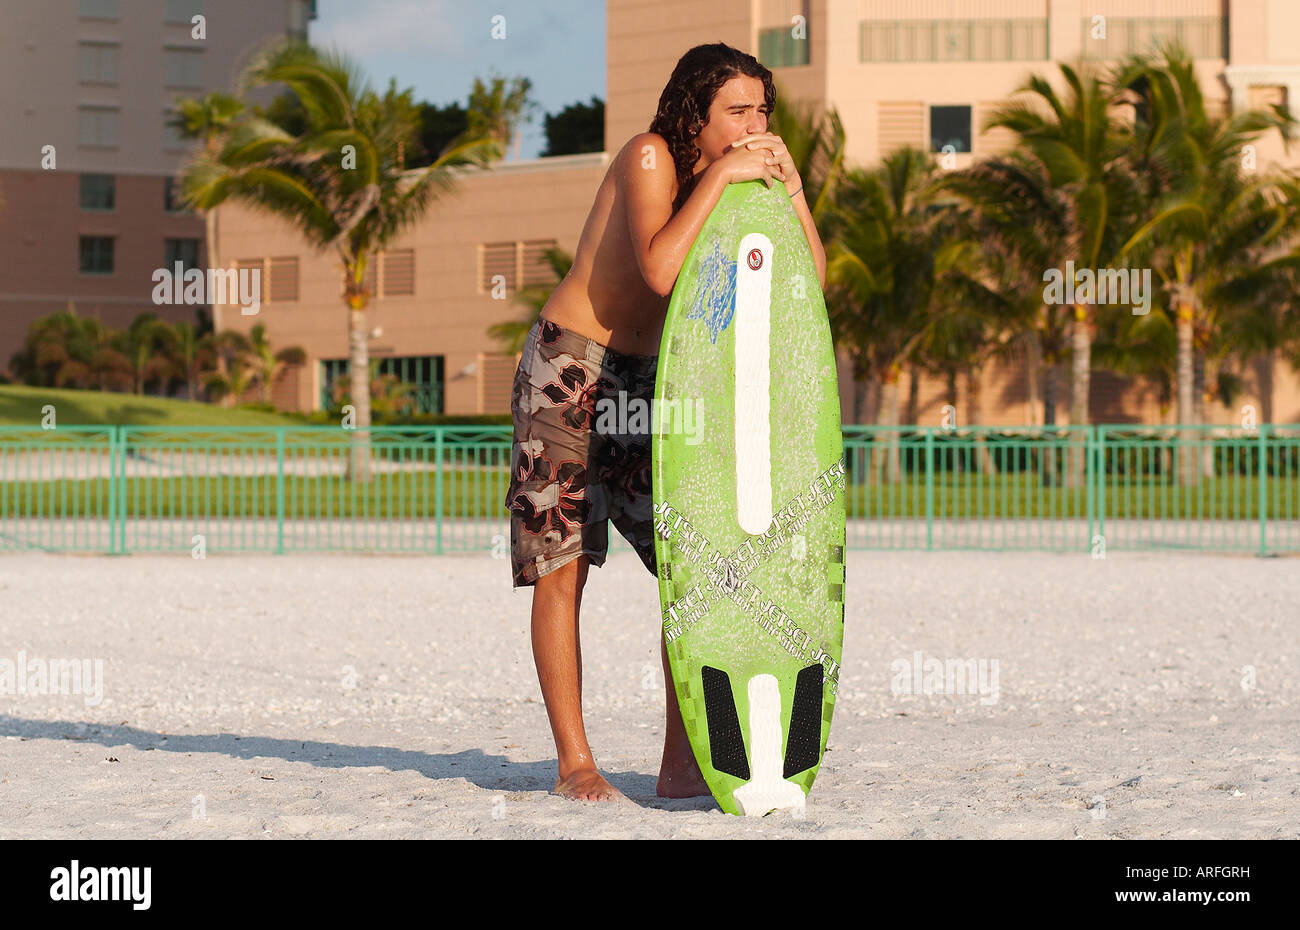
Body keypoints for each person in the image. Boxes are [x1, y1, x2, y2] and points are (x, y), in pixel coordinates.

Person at [504, 42, 827, 802]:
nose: (755, 125)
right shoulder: (652, 157)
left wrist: (796, 190)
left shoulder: (746, 180)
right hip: (572, 367)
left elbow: (806, 287)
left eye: (762, 111)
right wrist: (720, 176)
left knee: (695, 570)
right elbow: (659, 267)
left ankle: (682, 764)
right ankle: (574, 764)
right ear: (695, 115)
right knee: (565, 563)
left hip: (657, 381)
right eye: (737, 111)